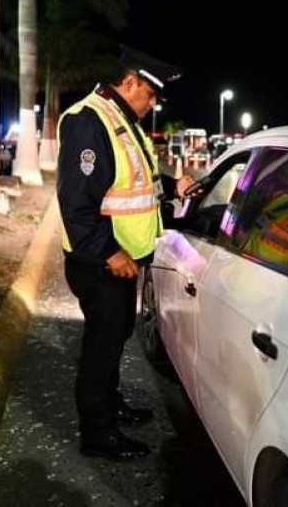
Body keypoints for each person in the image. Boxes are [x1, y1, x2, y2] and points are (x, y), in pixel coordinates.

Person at [56, 44, 195, 461]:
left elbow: (134, 181)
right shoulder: (89, 121)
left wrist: (173, 188)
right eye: (149, 93)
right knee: (101, 346)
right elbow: (77, 204)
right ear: (129, 80)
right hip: (101, 264)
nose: (152, 103)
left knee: (114, 339)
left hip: (121, 261)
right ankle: (98, 435)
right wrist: (109, 252)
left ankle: (110, 406)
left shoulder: (121, 119)